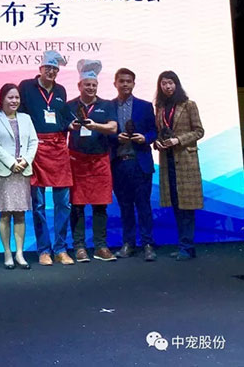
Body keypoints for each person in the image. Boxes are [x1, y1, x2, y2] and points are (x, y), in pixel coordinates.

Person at [19, 50, 74, 266]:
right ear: (40, 68)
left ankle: (60, 248)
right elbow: (19, 115)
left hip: (59, 148)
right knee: (39, 203)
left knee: (63, 203)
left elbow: (62, 117)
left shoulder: (61, 90)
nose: (51, 72)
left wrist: (72, 124)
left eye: (55, 69)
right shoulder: (26, 87)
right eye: (48, 68)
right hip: (37, 148)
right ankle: (44, 250)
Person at [68, 60, 118, 263]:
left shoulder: (106, 105)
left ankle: (101, 246)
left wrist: (95, 125)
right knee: (77, 206)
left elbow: (113, 127)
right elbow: (62, 128)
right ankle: (79, 247)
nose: (90, 88)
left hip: (100, 161)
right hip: (77, 161)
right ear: (79, 85)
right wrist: (70, 126)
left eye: (93, 85)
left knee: (100, 206)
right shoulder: (70, 106)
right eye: (87, 84)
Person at [154, 71, 204, 261]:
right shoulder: (160, 107)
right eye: (164, 83)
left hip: (185, 161)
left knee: (187, 207)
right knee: (176, 204)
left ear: (177, 84)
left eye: (171, 83)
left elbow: (199, 131)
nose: (167, 86)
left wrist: (179, 140)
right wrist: (157, 142)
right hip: (167, 161)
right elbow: (160, 133)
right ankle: (185, 245)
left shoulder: (188, 105)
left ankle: (187, 246)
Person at [0, 83, 38, 269]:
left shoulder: (26, 118)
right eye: (10, 97)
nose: (14, 100)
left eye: (17, 97)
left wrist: (26, 160)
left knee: (20, 214)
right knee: (5, 214)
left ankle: (20, 253)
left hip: (22, 171)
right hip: (4, 171)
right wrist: (11, 162)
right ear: (2, 99)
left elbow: (33, 141)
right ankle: (7, 253)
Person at [110, 68, 157, 262]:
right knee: (125, 207)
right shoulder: (108, 106)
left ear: (134, 84)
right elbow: (104, 133)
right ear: (115, 83)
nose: (125, 84)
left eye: (128, 81)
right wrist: (116, 138)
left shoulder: (145, 106)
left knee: (144, 205)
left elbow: (154, 131)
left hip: (140, 163)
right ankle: (128, 243)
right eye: (121, 81)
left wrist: (145, 138)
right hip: (119, 164)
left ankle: (148, 244)